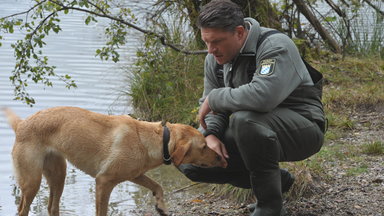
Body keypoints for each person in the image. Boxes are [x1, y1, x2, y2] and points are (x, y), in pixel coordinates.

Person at [178, 0, 325, 216]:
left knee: (244, 119)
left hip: (303, 129)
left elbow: (263, 97)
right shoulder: (215, 58)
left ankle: (269, 206)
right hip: (251, 129)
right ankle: (276, 181)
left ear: (239, 32)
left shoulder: (274, 46)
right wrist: (210, 134)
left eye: (217, 41)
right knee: (190, 160)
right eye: (206, 42)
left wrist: (216, 97)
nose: (211, 50)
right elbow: (214, 110)